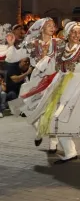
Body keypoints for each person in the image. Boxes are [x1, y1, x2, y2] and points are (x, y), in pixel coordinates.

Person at [27, 21, 80, 164]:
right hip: (60, 86)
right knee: (57, 118)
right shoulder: (61, 50)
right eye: (73, 32)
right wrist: (41, 63)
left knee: (71, 117)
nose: (76, 35)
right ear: (67, 33)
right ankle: (71, 152)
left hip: (77, 88)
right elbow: (51, 67)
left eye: (78, 32)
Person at [1, 18, 63, 152]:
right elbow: (14, 57)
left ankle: (53, 141)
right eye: (48, 25)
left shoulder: (59, 43)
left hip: (54, 79)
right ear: (41, 28)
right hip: (36, 80)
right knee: (29, 110)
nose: (52, 27)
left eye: (53, 25)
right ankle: (40, 130)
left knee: (51, 111)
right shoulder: (32, 44)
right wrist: (11, 45)